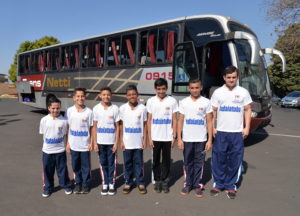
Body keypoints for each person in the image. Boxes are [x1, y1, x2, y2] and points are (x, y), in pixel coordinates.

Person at [210, 66, 252, 199]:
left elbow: (247, 110)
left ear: (237, 77)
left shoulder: (243, 92)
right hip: (221, 132)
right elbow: (213, 111)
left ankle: (230, 186)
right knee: (219, 159)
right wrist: (213, 128)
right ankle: (218, 184)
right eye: (229, 77)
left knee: (235, 160)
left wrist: (247, 128)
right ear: (224, 78)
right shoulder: (217, 92)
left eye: (234, 77)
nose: (231, 80)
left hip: (237, 133)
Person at [177, 79, 213, 198]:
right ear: (189, 89)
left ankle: (197, 185)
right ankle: (188, 184)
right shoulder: (184, 102)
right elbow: (180, 120)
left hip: (201, 139)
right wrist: (179, 138)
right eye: (192, 88)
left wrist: (209, 140)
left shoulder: (206, 102)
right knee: (187, 162)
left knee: (199, 163)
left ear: (201, 87)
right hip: (187, 139)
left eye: (197, 87)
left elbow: (209, 121)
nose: (194, 90)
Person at [146, 78, 178, 193]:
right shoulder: (150, 101)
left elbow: (174, 119)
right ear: (155, 89)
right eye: (159, 89)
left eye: (163, 89)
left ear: (166, 88)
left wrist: (174, 136)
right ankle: (157, 180)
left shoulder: (172, 101)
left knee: (166, 160)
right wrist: (149, 138)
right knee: (155, 161)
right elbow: (149, 120)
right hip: (155, 137)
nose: (161, 91)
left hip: (167, 137)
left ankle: (165, 181)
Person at [40, 95, 72, 198]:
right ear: (49, 108)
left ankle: (66, 185)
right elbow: (43, 134)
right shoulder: (44, 120)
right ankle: (47, 188)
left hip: (60, 151)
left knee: (62, 170)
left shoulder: (63, 121)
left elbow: (66, 134)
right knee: (47, 171)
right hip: (47, 152)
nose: (55, 110)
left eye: (58, 108)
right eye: (53, 108)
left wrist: (67, 144)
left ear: (60, 108)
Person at [119, 85, 147, 195]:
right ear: (126, 96)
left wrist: (144, 140)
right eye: (129, 95)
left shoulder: (142, 108)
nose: (132, 96)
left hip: (138, 142)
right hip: (127, 142)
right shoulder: (122, 108)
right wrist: (121, 140)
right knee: (127, 163)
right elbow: (120, 125)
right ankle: (128, 182)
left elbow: (145, 125)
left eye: (134, 94)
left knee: (139, 163)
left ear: (137, 95)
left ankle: (140, 182)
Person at [65, 88, 93, 194]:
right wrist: (67, 143)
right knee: (75, 166)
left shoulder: (89, 112)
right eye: (78, 96)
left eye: (82, 96)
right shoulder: (69, 111)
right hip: (73, 145)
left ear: (85, 97)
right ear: (74, 98)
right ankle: (78, 183)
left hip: (85, 145)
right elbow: (68, 128)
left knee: (86, 166)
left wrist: (91, 142)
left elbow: (91, 128)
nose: (80, 98)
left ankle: (86, 184)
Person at [93, 87, 120, 196]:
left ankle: (112, 184)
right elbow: (94, 127)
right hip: (100, 142)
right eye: (103, 94)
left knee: (111, 164)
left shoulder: (115, 108)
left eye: (108, 94)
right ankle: (105, 183)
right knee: (103, 163)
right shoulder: (96, 108)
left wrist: (116, 142)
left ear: (111, 95)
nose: (106, 97)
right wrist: (95, 143)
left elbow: (118, 127)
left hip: (111, 142)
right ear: (100, 95)